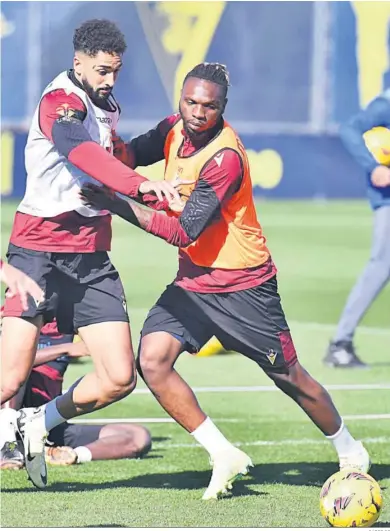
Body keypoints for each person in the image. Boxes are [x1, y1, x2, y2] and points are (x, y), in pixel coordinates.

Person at [81, 62, 371, 501]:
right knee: (154, 360)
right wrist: (95, 131)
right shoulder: (171, 128)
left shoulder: (225, 157)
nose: (197, 112)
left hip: (243, 287)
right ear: (180, 99)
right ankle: (223, 453)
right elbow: (126, 157)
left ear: (223, 108)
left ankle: (351, 452)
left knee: (289, 376)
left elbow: (183, 232)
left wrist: (116, 203)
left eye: (209, 106)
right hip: (194, 283)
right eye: (190, 102)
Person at [1, 18, 178, 489]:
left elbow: (114, 156)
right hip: (36, 254)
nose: (110, 79)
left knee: (120, 377)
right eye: (102, 70)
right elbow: (81, 152)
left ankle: (35, 425)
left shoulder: (106, 102)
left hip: (91, 260)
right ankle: (11, 427)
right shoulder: (60, 103)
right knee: (7, 380)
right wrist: (142, 187)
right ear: (78, 61)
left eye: (116, 71)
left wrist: (170, 131)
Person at [0, 319, 151, 470]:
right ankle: (8, 443)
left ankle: (66, 455)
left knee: (138, 436)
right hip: (12, 411)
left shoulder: (71, 317)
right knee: (14, 375)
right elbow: (9, 362)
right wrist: (65, 349)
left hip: (46, 422)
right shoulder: (13, 315)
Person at [324, 92, 390, 368]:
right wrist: (373, 166)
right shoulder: (386, 104)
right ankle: (340, 344)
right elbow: (350, 128)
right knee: (382, 264)